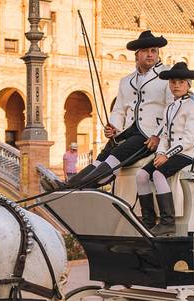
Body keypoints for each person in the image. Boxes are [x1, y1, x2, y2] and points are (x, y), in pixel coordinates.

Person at [40, 30, 173, 191]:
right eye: (145, 51)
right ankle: (67, 185)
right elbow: (119, 110)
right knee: (99, 159)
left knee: (114, 158)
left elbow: (171, 109)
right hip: (127, 132)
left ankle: (70, 188)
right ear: (136, 55)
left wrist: (158, 136)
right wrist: (113, 127)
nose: (150, 55)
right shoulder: (126, 81)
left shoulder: (167, 76)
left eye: (154, 51)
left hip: (148, 135)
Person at [135, 62, 194, 235]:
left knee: (158, 173)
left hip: (187, 154)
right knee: (142, 175)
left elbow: (190, 138)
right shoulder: (169, 108)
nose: (176, 85)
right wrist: (160, 153)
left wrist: (168, 155)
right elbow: (164, 135)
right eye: (173, 82)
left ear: (188, 84)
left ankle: (167, 221)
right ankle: (149, 220)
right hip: (169, 153)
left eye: (181, 82)